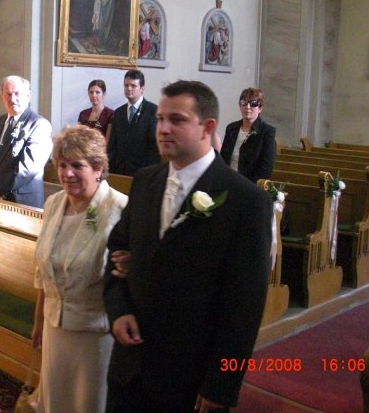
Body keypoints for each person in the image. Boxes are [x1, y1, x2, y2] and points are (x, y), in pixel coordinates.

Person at [104, 80, 272, 412]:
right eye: (160, 119)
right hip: (130, 366)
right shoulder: (146, 180)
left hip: (189, 376)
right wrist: (118, 310)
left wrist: (221, 386)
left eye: (177, 120)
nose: (163, 128)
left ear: (207, 128)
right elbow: (117, 252)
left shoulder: (246, 200)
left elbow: (244, 306)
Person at [32, 125, 127, 413]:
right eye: (62, 165)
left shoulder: (119, 209)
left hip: (94, 334)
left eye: (77, 165)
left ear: (98, 168)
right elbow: (43, 270)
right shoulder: (54, 203)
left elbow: (128, 278)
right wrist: (38, 320)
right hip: (54, 328)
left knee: (87, 404)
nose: (67, 173)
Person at [0, 75, 52, 208]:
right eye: (8, 94)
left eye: (17, 93)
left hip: (22, 202)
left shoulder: (39, 124)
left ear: (28, 96)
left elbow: (28, 168)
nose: (12, 99)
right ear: (2, 97)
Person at [107, 69, 160, 176]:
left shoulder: (152, 111)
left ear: (142, 88)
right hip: (118, 171)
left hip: (141, 172)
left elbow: (153, 148)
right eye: (126, 85)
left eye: (133, 86)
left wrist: (149, 174)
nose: (129, 88)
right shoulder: (118, 112)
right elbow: (112, 145)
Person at [220, 87, 276, 184]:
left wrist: (245, 186)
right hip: (228, 183)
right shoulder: (231, 129)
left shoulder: (267, 132)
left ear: (260, 108)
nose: (248, 107)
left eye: (253, 103)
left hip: (251, 186)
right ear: (240, 106)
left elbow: (265, 170)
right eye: (244, 103)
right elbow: (223, 160)